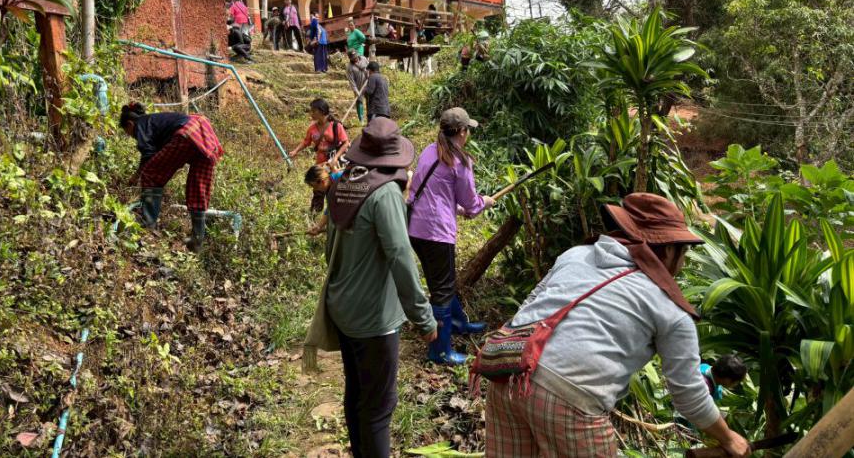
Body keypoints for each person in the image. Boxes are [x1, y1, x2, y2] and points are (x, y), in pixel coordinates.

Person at [484, 193, 751, 458]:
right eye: (683, 253)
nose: (682, 263)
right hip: (569, 396)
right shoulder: (670, 310)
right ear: (669, 250)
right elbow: (688, 394)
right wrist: (729, 439)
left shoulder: (575, 255)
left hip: (508, 372)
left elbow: (531, 301)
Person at [304, 118, 437, 458]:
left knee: (357, 393)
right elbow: (400, 255)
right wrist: (423, 317)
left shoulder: (343, 182)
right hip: (374, 319)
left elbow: (332, 249)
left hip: (343, 308)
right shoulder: (384, 193)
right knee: (379, 406)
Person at [408, 107, 494, 364]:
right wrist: (485, 202)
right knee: (442, 289)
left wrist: (459, 208)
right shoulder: (461, 161)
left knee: (443, 281)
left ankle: (457, 323)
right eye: (468, 130)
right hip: (436, 233)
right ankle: (440, 351)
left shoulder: (429, 150)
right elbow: (471, 203)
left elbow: (433, 191)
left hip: (415, 228)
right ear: (463, 132)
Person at [119, 103, 224, 252]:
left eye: (127, 132)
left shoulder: (140, 125)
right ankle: (197, 240)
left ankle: (147, 225)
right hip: (202, 130)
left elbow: (148, 156)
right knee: (197, 186)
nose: (131, 136)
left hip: (187, 133)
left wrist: (137, 176)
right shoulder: (153, 121)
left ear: (130, 124)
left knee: (150, 174)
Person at [288, 98, 350, 212]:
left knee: (334, 189)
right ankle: (315, 212)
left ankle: (334, 212)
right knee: (318, 189)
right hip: (321, 164)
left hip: (334, 164)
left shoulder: (336, 126)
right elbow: (306, 142)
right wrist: (295, 151)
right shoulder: (312, 128)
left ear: (321, 111)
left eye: (313, 111)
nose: (311, 114)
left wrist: (336, 158)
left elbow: (346, 143)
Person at [304, 163, 344, 237]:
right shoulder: (330, 187)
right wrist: (318, 227)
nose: (315, 189)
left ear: (322, 182)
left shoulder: (341, 179)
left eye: (315, 186)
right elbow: (330, 208)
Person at [346, 49, 369, 124]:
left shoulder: (364, 59)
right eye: (353, 58)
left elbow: (369, 68)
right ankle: (361, 120)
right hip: (358, 87)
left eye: (356, 57)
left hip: (367, 83)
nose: (355, 59)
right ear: (350, 58)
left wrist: (369, 74)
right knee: (359, 102)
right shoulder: (349, 67)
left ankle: (370, 118)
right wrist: (356, 91)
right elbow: (351, 81)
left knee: (369, 100)